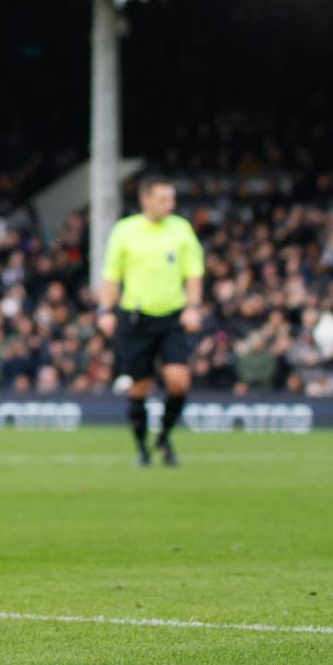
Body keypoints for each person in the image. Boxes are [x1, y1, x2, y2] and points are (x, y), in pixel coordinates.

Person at [97, 178, 205, 466]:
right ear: (146, 199)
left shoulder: (181, 229)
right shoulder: (125, 230)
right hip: (136, 319)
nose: (171, 204)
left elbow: (194, 273)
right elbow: (112, 275)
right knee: (139, 388)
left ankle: (164, 435)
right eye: (164, 199)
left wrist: (193, 307)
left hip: (172, 317)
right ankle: (142, 449)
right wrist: (105, 311)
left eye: (172, 198)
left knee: (179, 382)